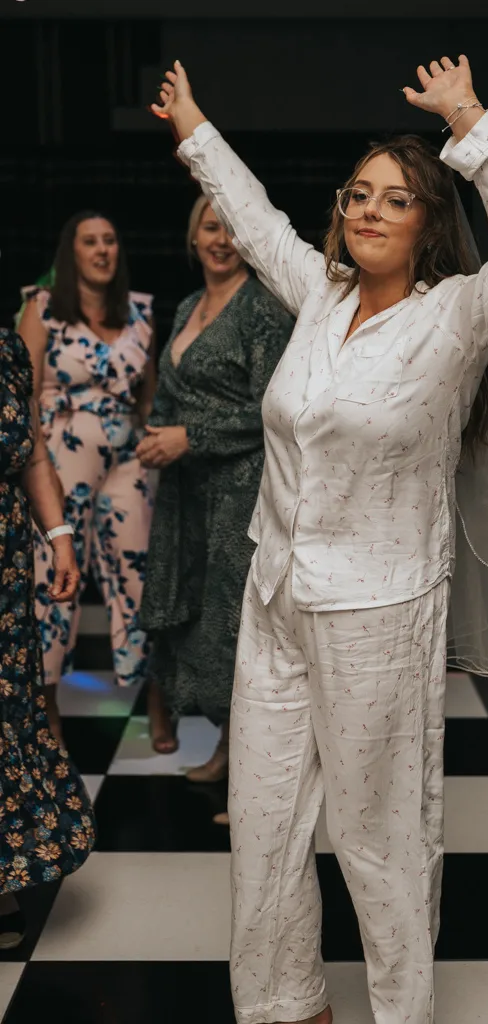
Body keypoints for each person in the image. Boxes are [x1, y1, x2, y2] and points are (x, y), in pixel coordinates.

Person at [152, 53, 488, 1024]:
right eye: (356, 195)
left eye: (394, 199)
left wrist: (469, 125)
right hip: (277, 596)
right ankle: (283, 1002)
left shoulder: (455, 318)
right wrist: (194, 129)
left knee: (378, 834)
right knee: (261, 821)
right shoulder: (319, 296)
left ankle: (398, 1011)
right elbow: (254, 222)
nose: (367, 211)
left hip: (378, 608)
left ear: (428, 223)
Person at [138, 196, 293, 801]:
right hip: (187, 493)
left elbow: (273, 410)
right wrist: (157, 433)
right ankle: (229, 750)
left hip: (240, 492)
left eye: (231, 228)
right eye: (210, 226)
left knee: (239, 629)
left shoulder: (264, 309)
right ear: (193, 236)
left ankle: (256, 783)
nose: (221, 239)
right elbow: (171, 388)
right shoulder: (184, 307)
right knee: (201, 623)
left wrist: (189, 436)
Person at [17, 212, 158, 750]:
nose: (102, 250)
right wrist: (38, 465)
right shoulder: (44, 307)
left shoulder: (140, 313)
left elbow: (147, 393)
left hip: (128, 461)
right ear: (69, 252)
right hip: (60, 459)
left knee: (139, 577)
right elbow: (23, 393)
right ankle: (48, 708)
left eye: (110, 241)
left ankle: (154, 705)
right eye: (89, 241)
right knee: (53, 583)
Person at [0, 326, 95, 951]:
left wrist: (58, 534)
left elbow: (31, 448)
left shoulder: (7, 346)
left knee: (6, 713)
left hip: (6, 573)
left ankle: (2, 883)